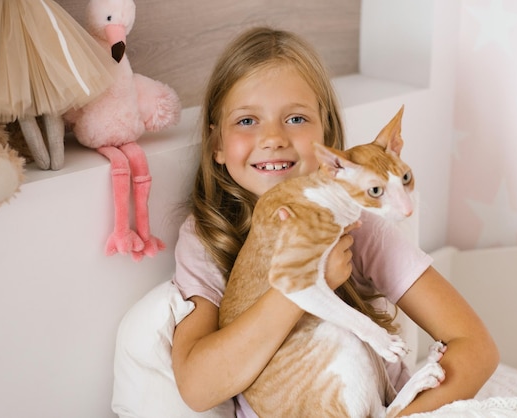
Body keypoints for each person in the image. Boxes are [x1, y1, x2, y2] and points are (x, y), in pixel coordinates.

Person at [171, 26, 499, 417]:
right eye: (246, 121)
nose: (273, 137)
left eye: (295, 118)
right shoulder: (206, 237)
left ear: (326, 137)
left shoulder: (361, 224)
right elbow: (196, 388)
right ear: (217, 146)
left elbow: (477, 346)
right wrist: (310, 282)